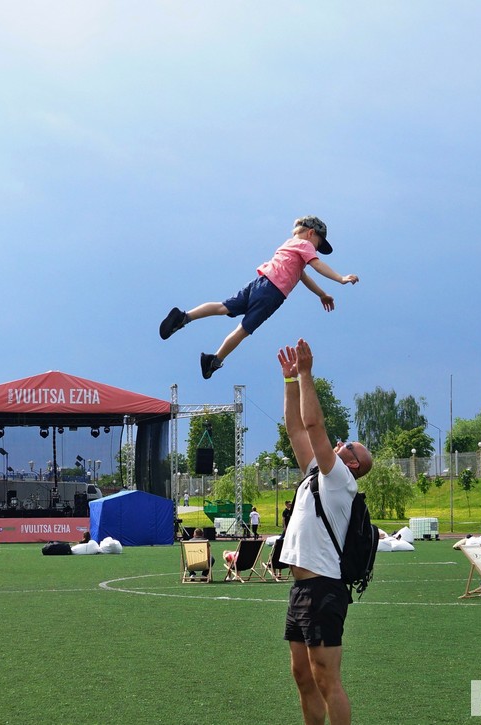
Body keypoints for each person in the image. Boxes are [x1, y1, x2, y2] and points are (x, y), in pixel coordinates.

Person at [276, 339, 373, 725]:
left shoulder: (340, 478)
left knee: (327, 678)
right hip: (302, 589)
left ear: (352, 461)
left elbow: (313, 423)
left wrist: (306, 374)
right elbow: (296, 428)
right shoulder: (317, 472)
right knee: (302, 676)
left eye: (347, 444)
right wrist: (288, 382)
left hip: (323, 590)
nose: (340, 441)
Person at [159, 216, 359, 379]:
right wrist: (340, 278)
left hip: (258, 283)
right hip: (272, 293)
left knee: (222, 307)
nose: (315, 249)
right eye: (318, 244)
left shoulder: (290, 244)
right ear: (311, 233)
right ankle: (214, 360)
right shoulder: (306, 246)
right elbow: (316, 265)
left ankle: (184, 317)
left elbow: (302, 276)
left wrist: (322, 294)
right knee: (243, 330)